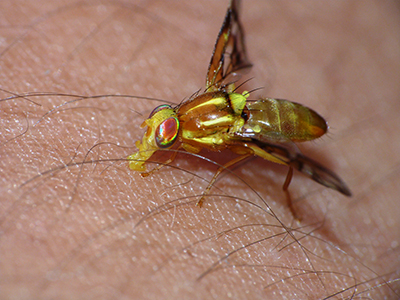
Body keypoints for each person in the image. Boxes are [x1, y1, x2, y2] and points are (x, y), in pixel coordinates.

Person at [1, 0, 399, 298]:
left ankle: (289, 197)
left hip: (263, 123)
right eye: (165, 121)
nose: (161, 125)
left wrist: (220, 176)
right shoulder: (213, 88)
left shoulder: (224, 135)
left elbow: (262, 155)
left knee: (280, 159)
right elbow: (226, 43)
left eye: (166, 128)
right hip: (249, 111)